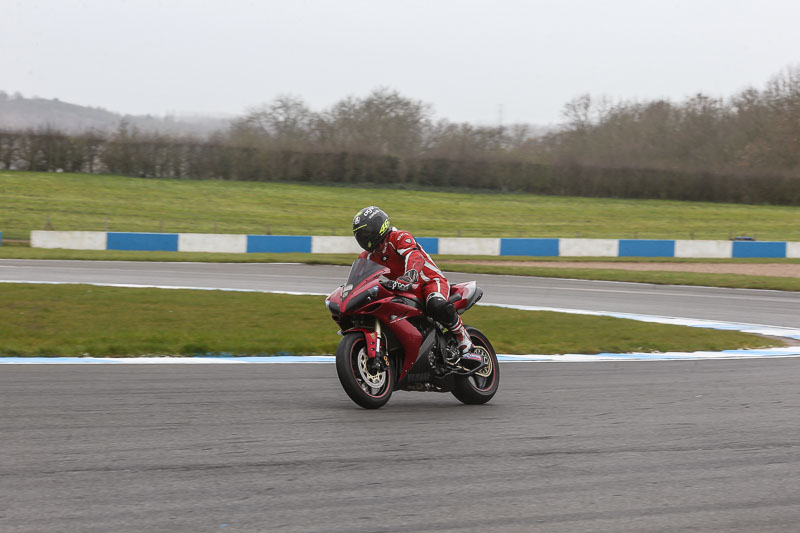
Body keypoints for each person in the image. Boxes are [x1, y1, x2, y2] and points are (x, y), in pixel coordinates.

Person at [352, 206, 475, 358]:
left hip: (430, 282)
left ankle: (463, 338)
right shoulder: (368, 256)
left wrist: (409, 276)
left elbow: (414, 256)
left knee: (435, 304)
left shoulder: (398, 237)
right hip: (403, 289)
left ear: (379, 226)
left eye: (366, 232)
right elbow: (359, 277)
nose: (363, 237)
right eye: (360, 234)